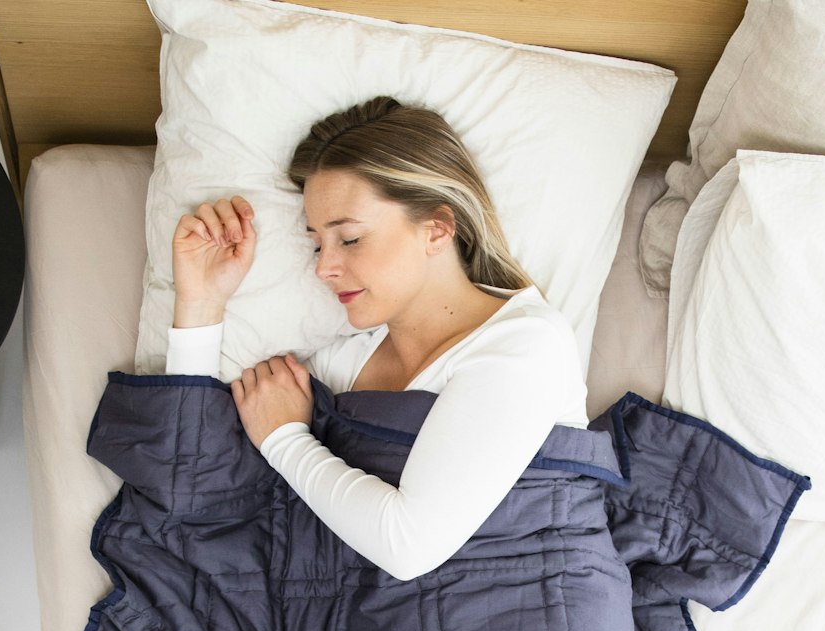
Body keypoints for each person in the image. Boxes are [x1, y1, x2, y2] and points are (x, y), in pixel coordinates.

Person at [165, 95, 588, 580]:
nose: (324, 267)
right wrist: (200, 300)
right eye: (315, 241)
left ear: (437, 229)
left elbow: (409, 546)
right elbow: (194, 469)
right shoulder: (345, 362)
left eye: (349, 239)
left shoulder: (525, 345)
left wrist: (286, 441)